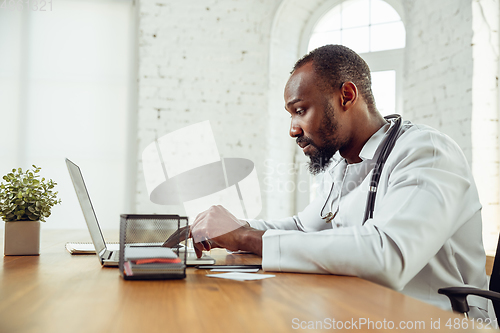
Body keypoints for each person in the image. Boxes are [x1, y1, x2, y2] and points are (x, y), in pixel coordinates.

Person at [190, 45, 489, 318]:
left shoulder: (427, 153)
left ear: (347, 95)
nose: (293, 129)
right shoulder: (344, 165)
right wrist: (235, 227)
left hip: (436, 320)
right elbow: (302, 227)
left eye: (300, 110)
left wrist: (247, 238)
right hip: (364, 310)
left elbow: (388, 254)